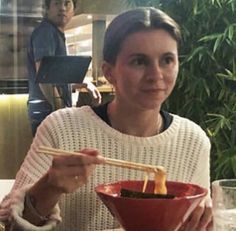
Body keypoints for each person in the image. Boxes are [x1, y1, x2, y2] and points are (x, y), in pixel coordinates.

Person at [0, 7, 213, 231]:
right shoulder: (62, 128)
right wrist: (49, 187)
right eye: (139, 61)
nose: (156, 75)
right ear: (109, 72)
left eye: (167, 60)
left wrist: (203, 220)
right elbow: (10, 225)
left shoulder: (193, 141)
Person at [27, 0, 102, 136]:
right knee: (52, 156)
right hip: (47, 110)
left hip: (47, 110)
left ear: (73, 10)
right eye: (57, 3)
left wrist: (85, 83)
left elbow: (58, 77)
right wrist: (58, 112)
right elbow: (45, 76)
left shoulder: (54, 33)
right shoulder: (46, 31)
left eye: (67, 3)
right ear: (47, 9)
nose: (62, 8)